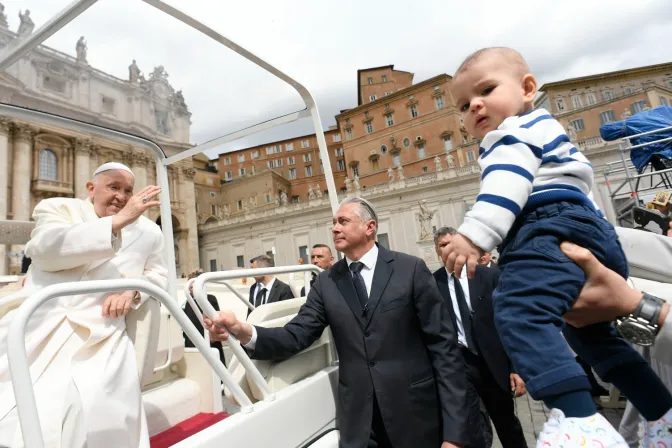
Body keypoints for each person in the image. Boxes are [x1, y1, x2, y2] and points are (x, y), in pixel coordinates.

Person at [442, 46, 672, 446]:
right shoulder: (544, 128)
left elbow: (506, 185)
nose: (474, 105)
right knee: (593, 337)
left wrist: (472, 236)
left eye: (487, 89)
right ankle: (660, 413)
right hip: (588, 230)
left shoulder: (511, 133)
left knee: (518, 312)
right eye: (463, 105)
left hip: (545, 225)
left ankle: (579, 423)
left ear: (528, 87)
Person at [205, 197, 468, 448]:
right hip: (360, 424)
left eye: (343, 221)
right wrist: (243, 331)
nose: (334, 228)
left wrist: (455, 432)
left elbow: (443, 349)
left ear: (370, 227)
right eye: (333, 223)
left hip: (414, 416)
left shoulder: (410, 269)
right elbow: (296, 334)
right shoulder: (326, 283)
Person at [0, 162, 167, 447]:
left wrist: (133, 291)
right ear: (91, 189)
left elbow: (158, 275)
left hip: (101, 332)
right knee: (14, 404)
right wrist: (116, 223)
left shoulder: (150, 232)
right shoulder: (57, 209)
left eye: (128, 190)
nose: (122, 196)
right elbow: (45, 252)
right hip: (40, 321)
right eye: (113, 187)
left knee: (90, 407)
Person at [433, 227, 527, 448]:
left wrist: (516, 367)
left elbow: (510, 322)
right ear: (437, 251)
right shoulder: (432, 283)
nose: (447, 249)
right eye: (442, 245)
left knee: (506, 424)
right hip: (460, 366)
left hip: (493, 363)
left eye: (450, 243)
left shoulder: (489, 275)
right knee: (474, 427)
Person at [183, 279, 225, 366]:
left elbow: (216, 319)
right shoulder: (188, 303)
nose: (192, 289)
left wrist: (212, 338)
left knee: (216, 369)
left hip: (210, 341)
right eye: (190, 287)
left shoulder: (210, 299)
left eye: (194, 286)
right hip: (194, 343)